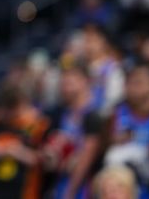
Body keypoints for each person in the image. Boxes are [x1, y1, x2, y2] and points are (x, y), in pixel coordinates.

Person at [104, 61, 149, 198]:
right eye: (129, 82)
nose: (132, 87)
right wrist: (112, 140)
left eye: (139, 82)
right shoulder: (117, 112)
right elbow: (105, 147)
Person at [44, 61, 105, 199]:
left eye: (72, 77)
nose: (65, 81)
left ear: (85, 81)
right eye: (64, 78)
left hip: (82, 187)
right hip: (60, 182)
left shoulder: (93, 114)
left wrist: (69, 193)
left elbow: (86, 158)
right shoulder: (61, 114)